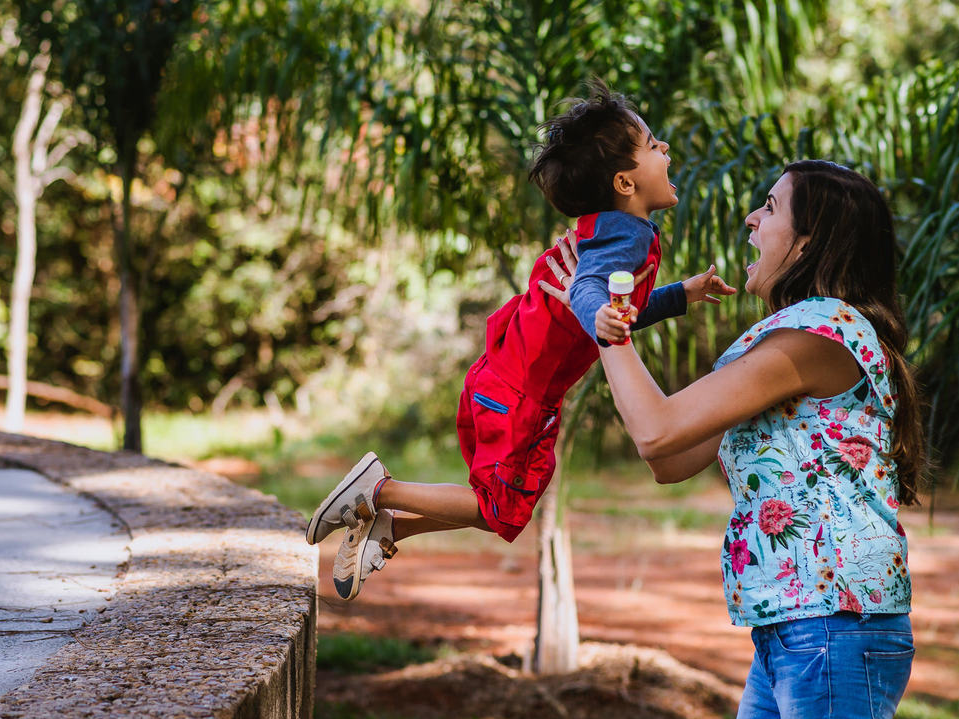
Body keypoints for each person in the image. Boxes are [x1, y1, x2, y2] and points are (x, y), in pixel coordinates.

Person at [554, 160, 922, 719]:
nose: (751, 218)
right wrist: (599, 317)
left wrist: (603, 316)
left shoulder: (818, 334)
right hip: (792, 627)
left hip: (835, 627)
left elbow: (656, 432)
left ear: (807, 243)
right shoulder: (776, 342)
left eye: (771, 209)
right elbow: (670, 459)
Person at [307, 79, 736, 601]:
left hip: (506, 378)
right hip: (522, 395)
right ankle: (377, 492)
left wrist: (679, 296)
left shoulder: (606, 229)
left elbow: (621, 310)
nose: (664, 148)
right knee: (500, 510)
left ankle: (390, 525)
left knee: (501, 507)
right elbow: (587, 289)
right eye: (651, 145)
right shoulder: (630, 235)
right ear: (625, 182)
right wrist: (598, 311)